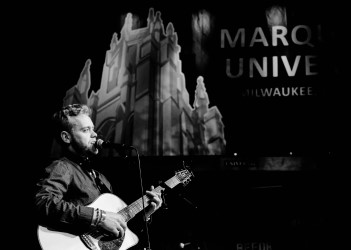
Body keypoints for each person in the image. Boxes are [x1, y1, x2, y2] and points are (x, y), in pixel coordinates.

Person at [34, 103, 163, 249]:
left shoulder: (102, 179)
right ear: (66, 137)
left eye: (93, 129)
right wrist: (98, 217)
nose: (95, 135)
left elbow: (116, 234)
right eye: (86, 130)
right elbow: (42, 203)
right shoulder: (63, 167)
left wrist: (145, 215)